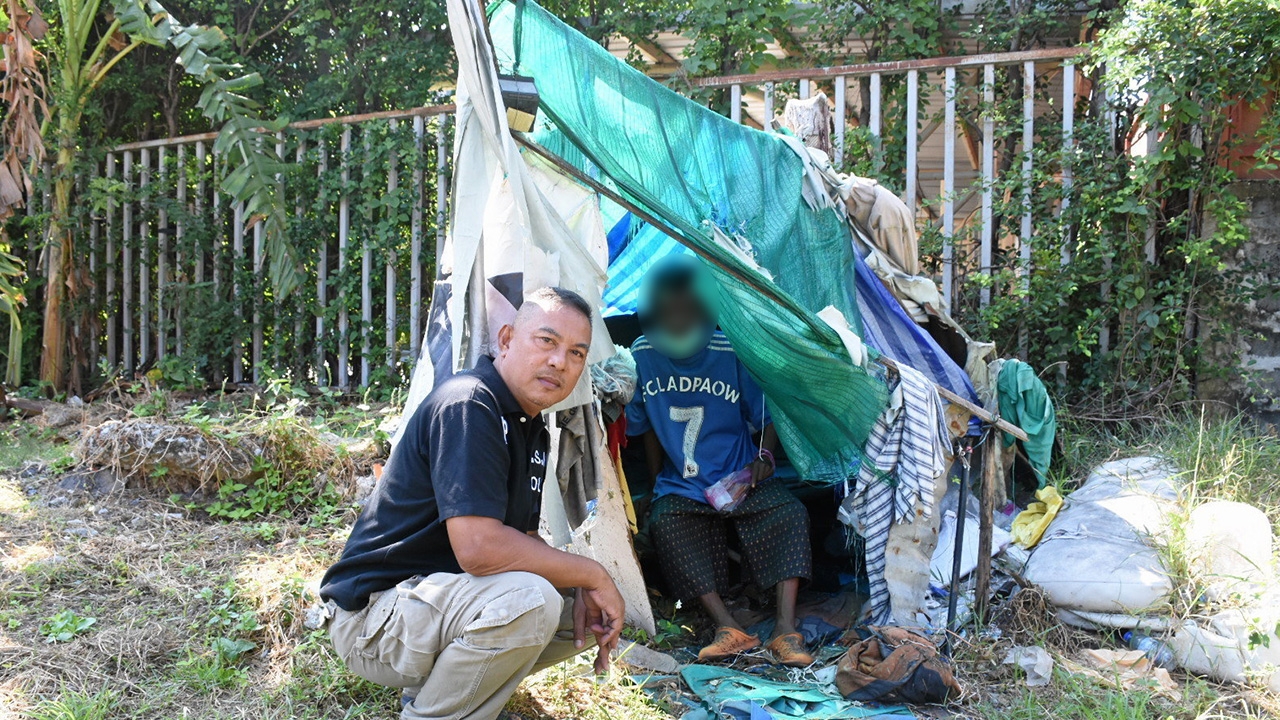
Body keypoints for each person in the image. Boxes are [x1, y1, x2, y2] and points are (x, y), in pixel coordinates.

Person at [319, 287, 625, 720]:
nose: (560, 361)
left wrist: (583, 584)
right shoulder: (470, 403)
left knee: (569, 597)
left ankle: (442, 690)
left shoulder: (529, 426)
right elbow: (479, 549)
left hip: (428, 601)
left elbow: (520, 538)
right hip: (373, 618)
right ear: (505, 340)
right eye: (547, 341)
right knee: (532, 600)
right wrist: (593, 573)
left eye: (577, 353)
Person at [625, 256, 814, 667]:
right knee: (667, 525)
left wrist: (764, 456)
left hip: (741, 477)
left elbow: (769, 410)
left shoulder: (729, 347)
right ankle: (727, 628)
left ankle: (786, 630)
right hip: (684, 485)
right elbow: (649, 428)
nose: (678, 319)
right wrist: (656, 483)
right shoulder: (642, 354)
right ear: (654, 312)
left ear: (705, 311)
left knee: (789, 514)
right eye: (668, 310)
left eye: (688, 309)